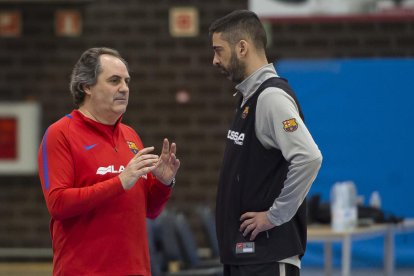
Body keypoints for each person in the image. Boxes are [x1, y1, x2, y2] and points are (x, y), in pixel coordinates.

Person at [37, 47, 180, 275]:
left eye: (126, 81)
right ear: (87, 87)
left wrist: (163, 184)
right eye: (114, 81)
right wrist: (120, 181)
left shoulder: (130, 136)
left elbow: (149, 211)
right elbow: (58, 203)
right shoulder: (59, 134)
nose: (124, 88)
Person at [209, 10, 322, 276]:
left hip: (267, 258)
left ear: (242, 48)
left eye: (218, 50)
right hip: (246, 257)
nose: (214, 60)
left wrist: (274, 216)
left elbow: (309, 157)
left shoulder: (270, 97)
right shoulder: (248, 98)